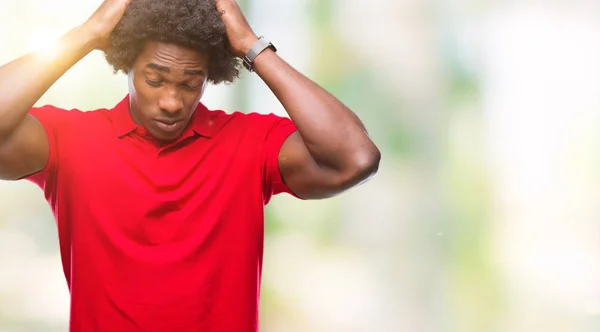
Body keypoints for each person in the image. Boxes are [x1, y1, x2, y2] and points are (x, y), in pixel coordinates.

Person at [0, 0, 380, 330]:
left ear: (209, 77)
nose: (171, 101)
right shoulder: (69, 139)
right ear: (127, 65)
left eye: (190, 83)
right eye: (155, 79)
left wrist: (252, 46)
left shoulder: (249, 143)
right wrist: (86, 34)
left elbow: (356, 157)